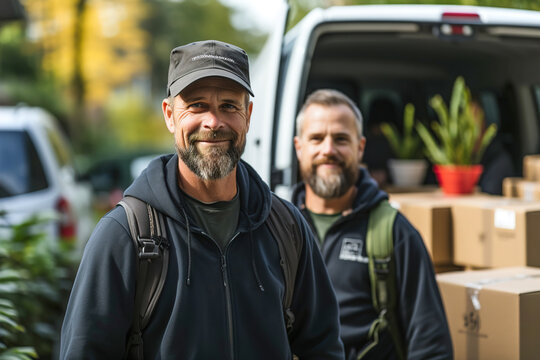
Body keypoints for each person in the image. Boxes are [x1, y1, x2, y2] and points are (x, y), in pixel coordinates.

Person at [60, 40, 344, 359]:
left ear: (248, 116)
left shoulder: (287, 228)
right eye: (196, 105)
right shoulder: (126, 236)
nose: (213, 122)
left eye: (228, 106)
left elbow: (323, 347)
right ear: (169, 115)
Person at [292, 89, 453, 360]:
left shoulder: (396, 233)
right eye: (317, 138)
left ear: (360, 147)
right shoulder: (274, 228)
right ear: (299, 147)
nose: (328, 150)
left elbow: (431, 347)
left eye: (341, 139)